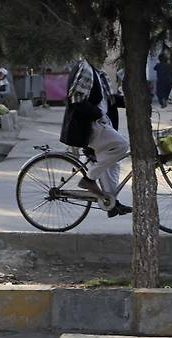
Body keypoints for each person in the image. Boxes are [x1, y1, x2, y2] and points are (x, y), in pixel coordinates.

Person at [60, 58, 132, 218]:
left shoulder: (99, 72)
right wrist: (99, 114)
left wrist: (134, 101)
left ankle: (111, 202)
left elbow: (109, 100)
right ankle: (89, 179)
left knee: (111, 165)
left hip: (100, 124)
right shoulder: (86, 68)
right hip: (89, 126)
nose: (106, 55)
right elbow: (76, 100)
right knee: (121, 146)